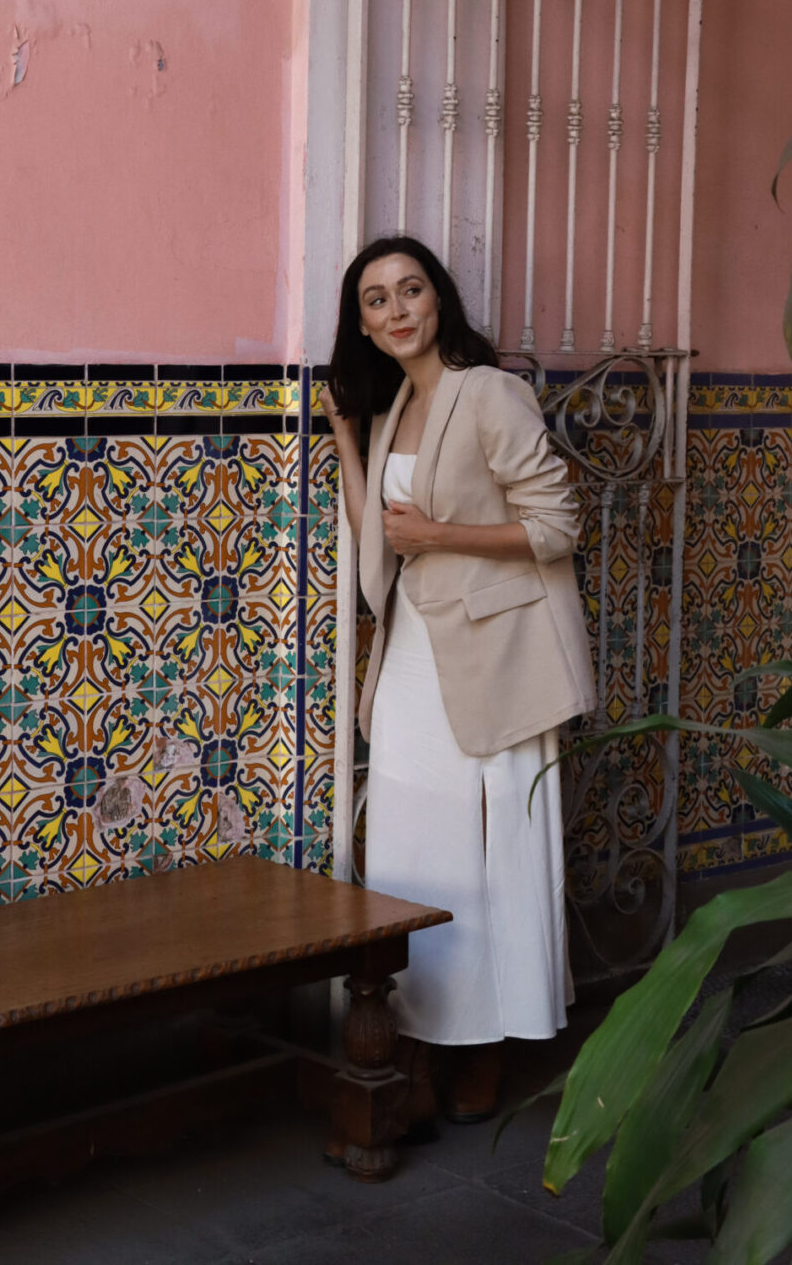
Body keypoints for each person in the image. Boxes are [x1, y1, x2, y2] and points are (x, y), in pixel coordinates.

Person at [321, 235, 595, 1131]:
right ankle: (418, 1037)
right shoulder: (398, 402)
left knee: (492, 857)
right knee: (412, 848)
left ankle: (486, 1046)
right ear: (360, 322)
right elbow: (379, 546)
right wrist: (344, 440)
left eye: (411, 291)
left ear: (439, 300)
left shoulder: (487, 391)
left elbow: (559, 522)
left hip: (493, 657)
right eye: (376, 299)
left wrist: (444, 538)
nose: (396, 311)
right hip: (410, 654)